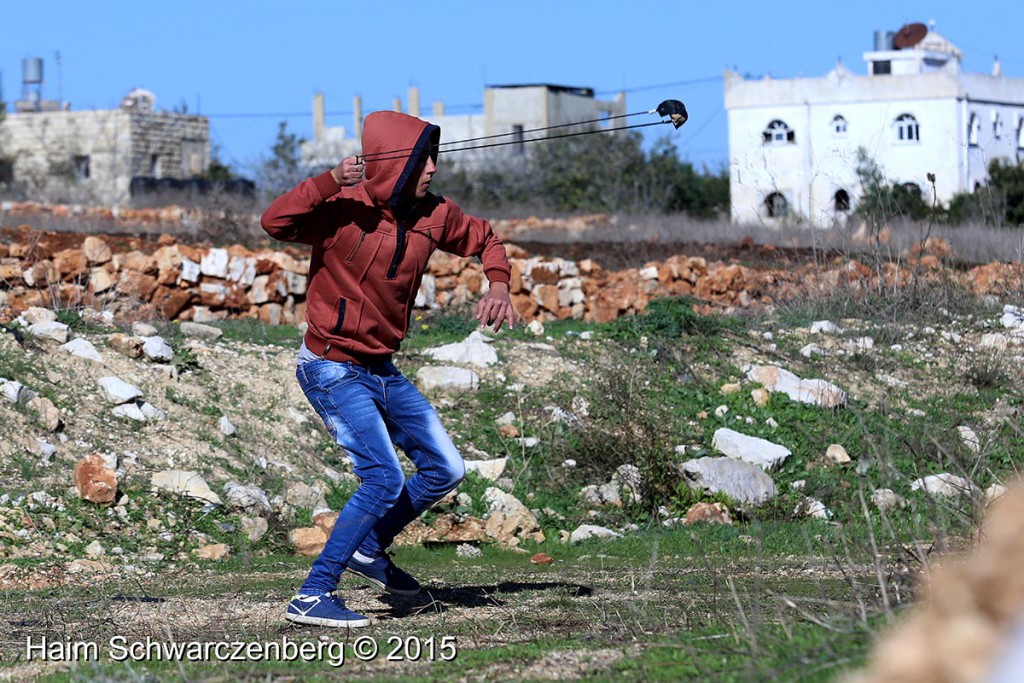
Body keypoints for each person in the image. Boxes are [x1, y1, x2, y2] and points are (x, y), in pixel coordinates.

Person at [261, 110, 515, 628]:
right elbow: (276, 222)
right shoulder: (340, 209)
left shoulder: (433, 214)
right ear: (397, 164)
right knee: (381, 477)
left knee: (446, 469)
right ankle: (313, 594)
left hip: (381, 367)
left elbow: (485, 238)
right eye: (423, 160)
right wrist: (330, 180)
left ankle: (369, 545)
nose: (434, 170)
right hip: (330, 366)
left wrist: (499, 283)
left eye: (434, 158)